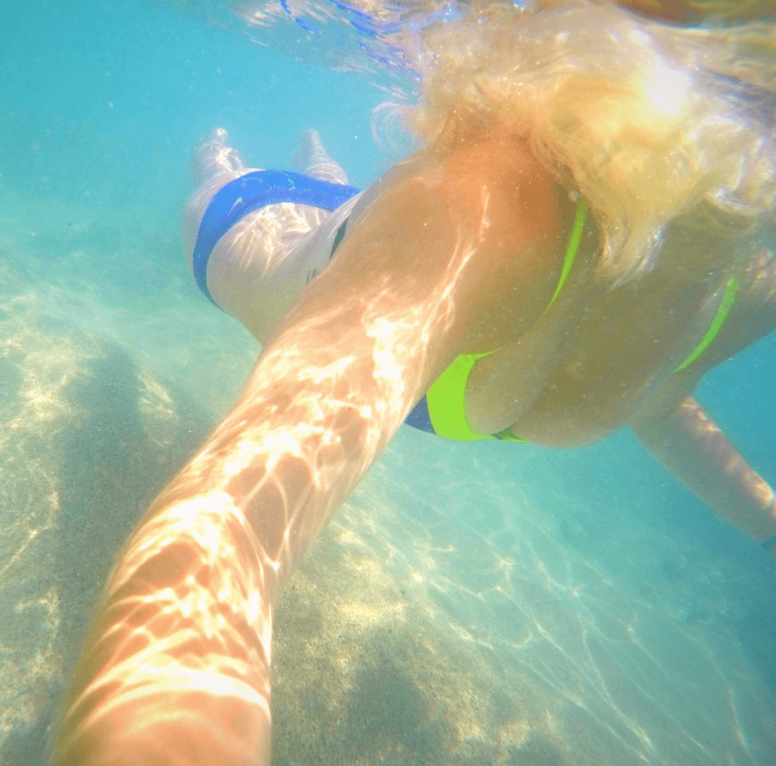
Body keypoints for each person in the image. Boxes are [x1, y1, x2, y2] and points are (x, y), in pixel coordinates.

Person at [51, 2, 776, 764]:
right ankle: (221, 160)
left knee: (337, 195)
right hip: (277, 242)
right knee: (216, 199)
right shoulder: (492, 203)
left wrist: (765, 518)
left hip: (388, 253)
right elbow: (229, 531)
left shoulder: (744, 279)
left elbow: (658, 399)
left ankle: (322, 168)